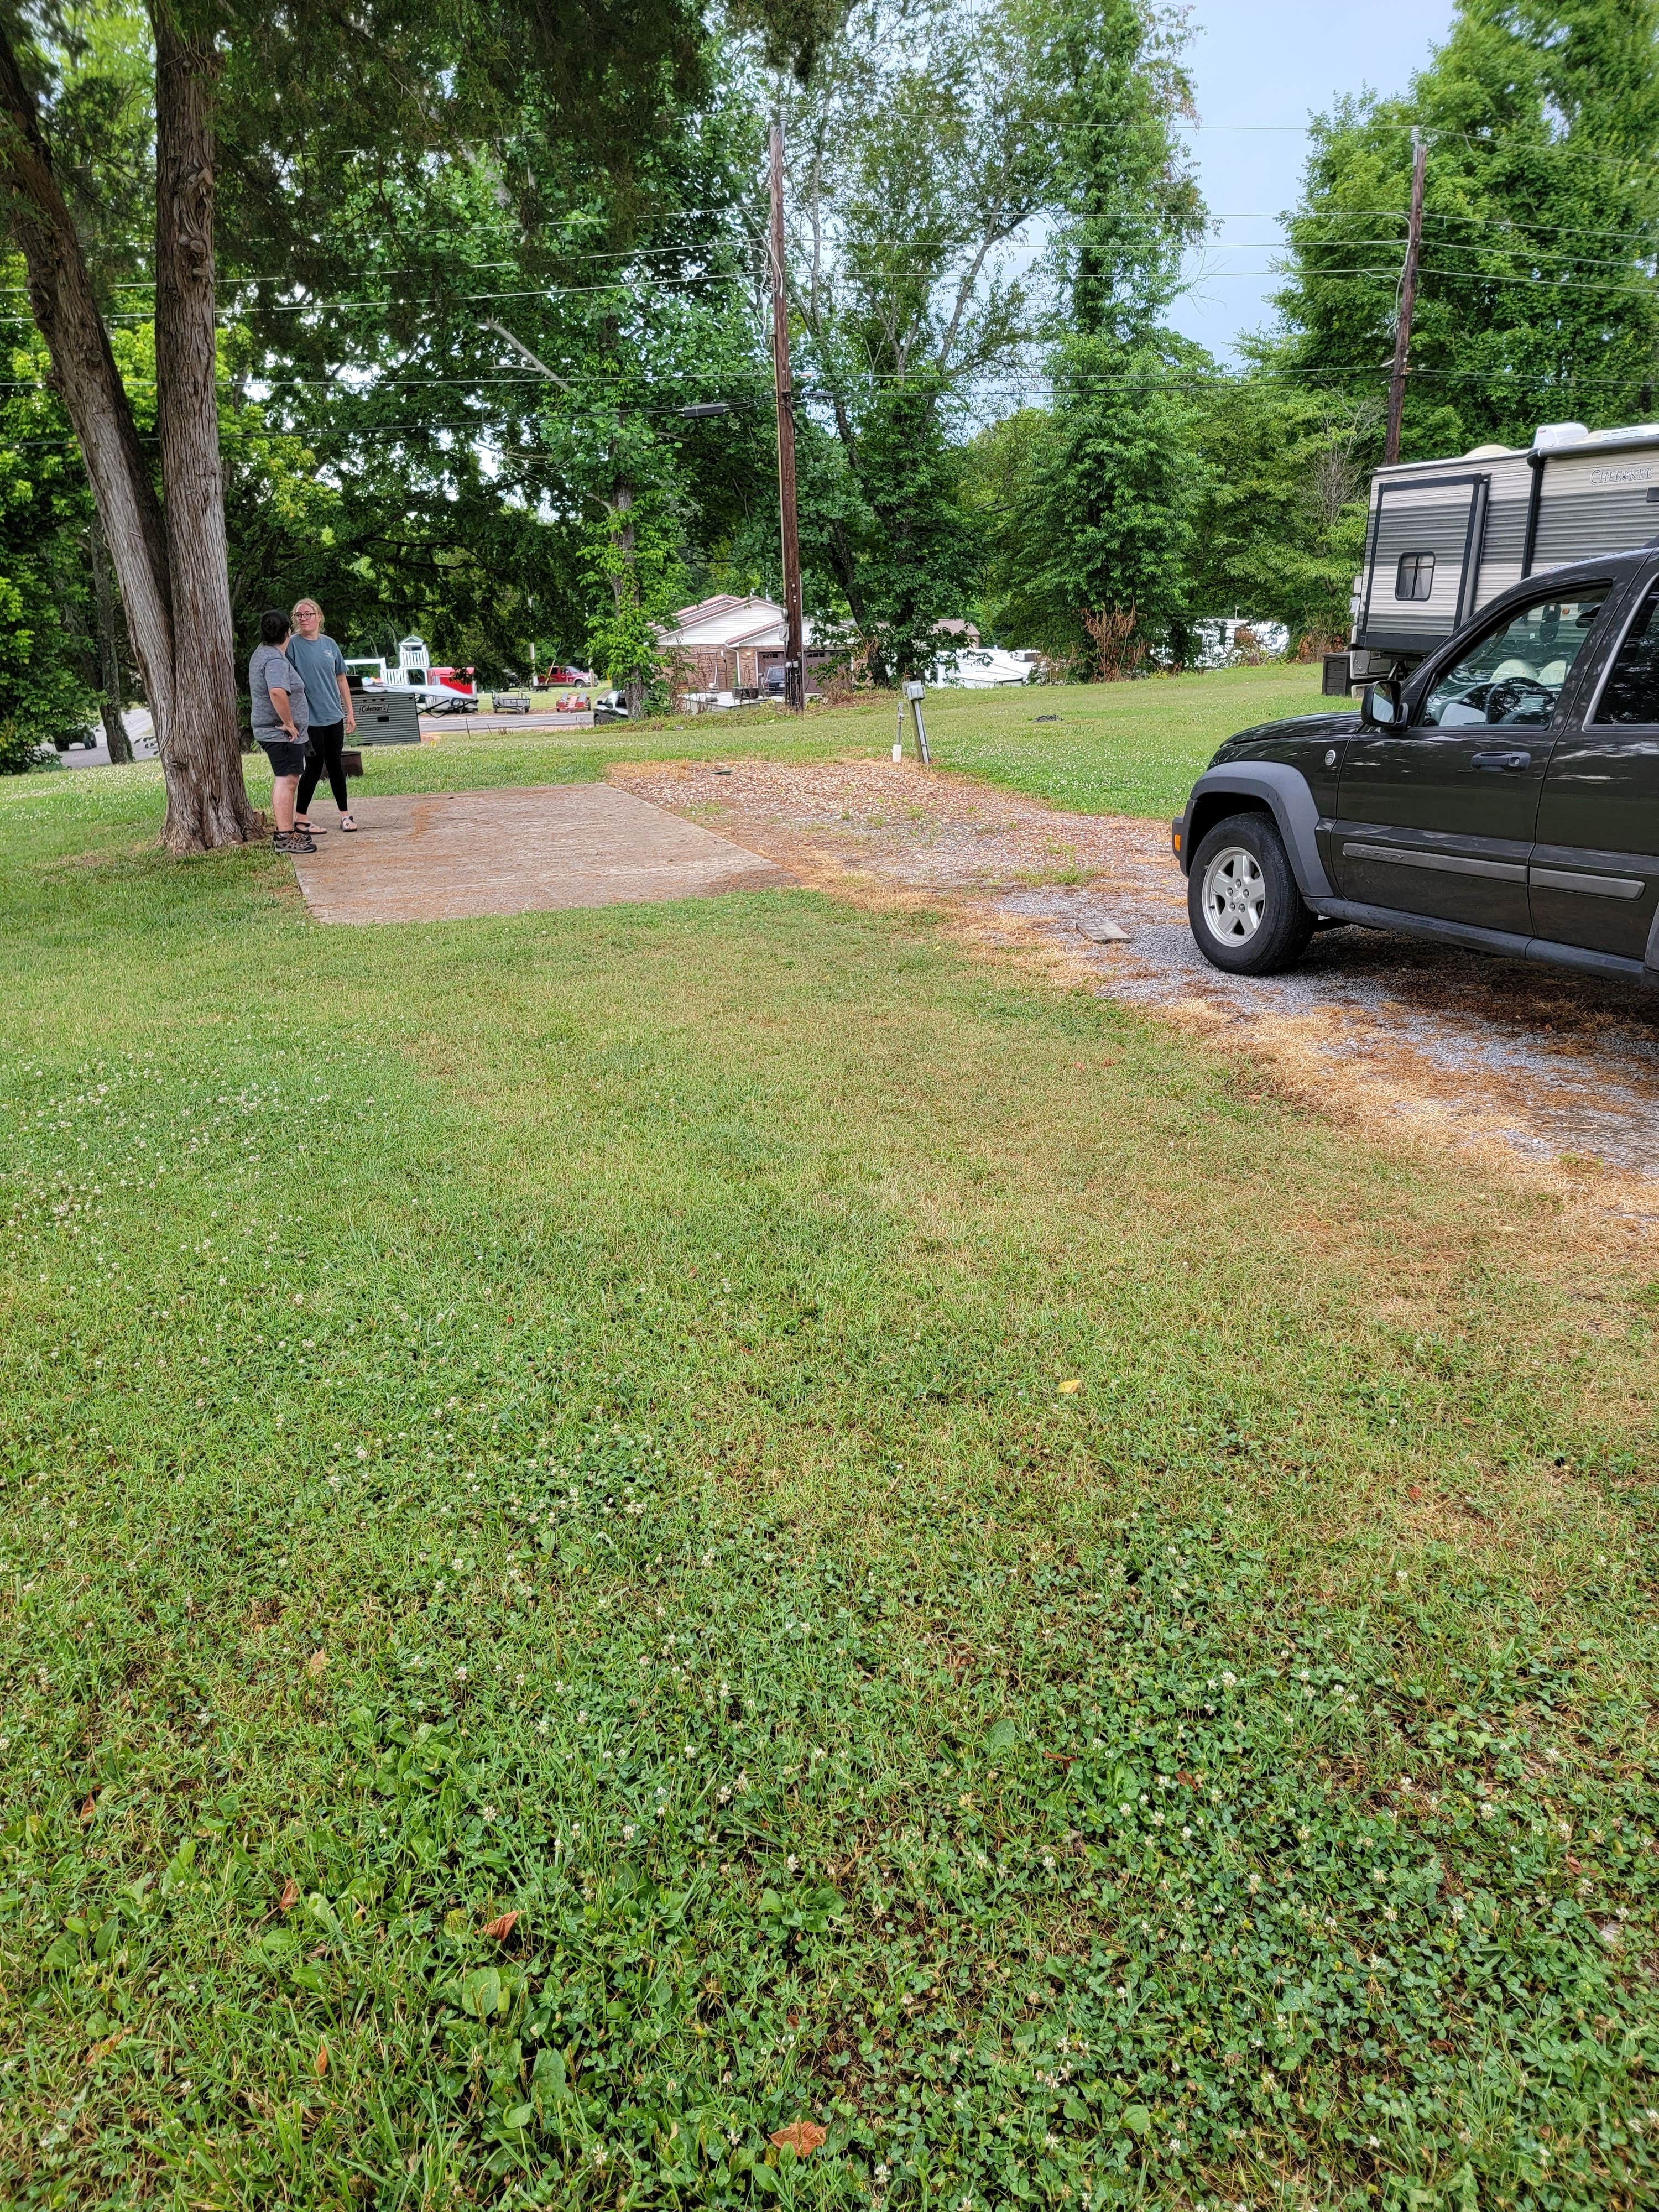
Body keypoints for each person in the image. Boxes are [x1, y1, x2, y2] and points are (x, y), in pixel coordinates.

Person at [288, 597, 358, 835]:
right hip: (309, 719)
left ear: (319, 617)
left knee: (336, 765)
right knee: (315, 767)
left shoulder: (330, 645)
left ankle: (344, 815)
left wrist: (349, 712)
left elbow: (341, 679)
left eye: (309, 614)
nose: (304, 619)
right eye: (299, 615)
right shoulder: (292, 646)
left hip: (333, 716)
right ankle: (301, 818)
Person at [249, 609, 314, 854]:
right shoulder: (275, 660)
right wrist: (289, 723)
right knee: (287, 780)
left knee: (287, 779)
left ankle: (286, 833)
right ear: (288, 632)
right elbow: (277, 692)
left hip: (275, 733)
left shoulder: (263, 653)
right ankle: (285, 836)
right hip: (280, 734)